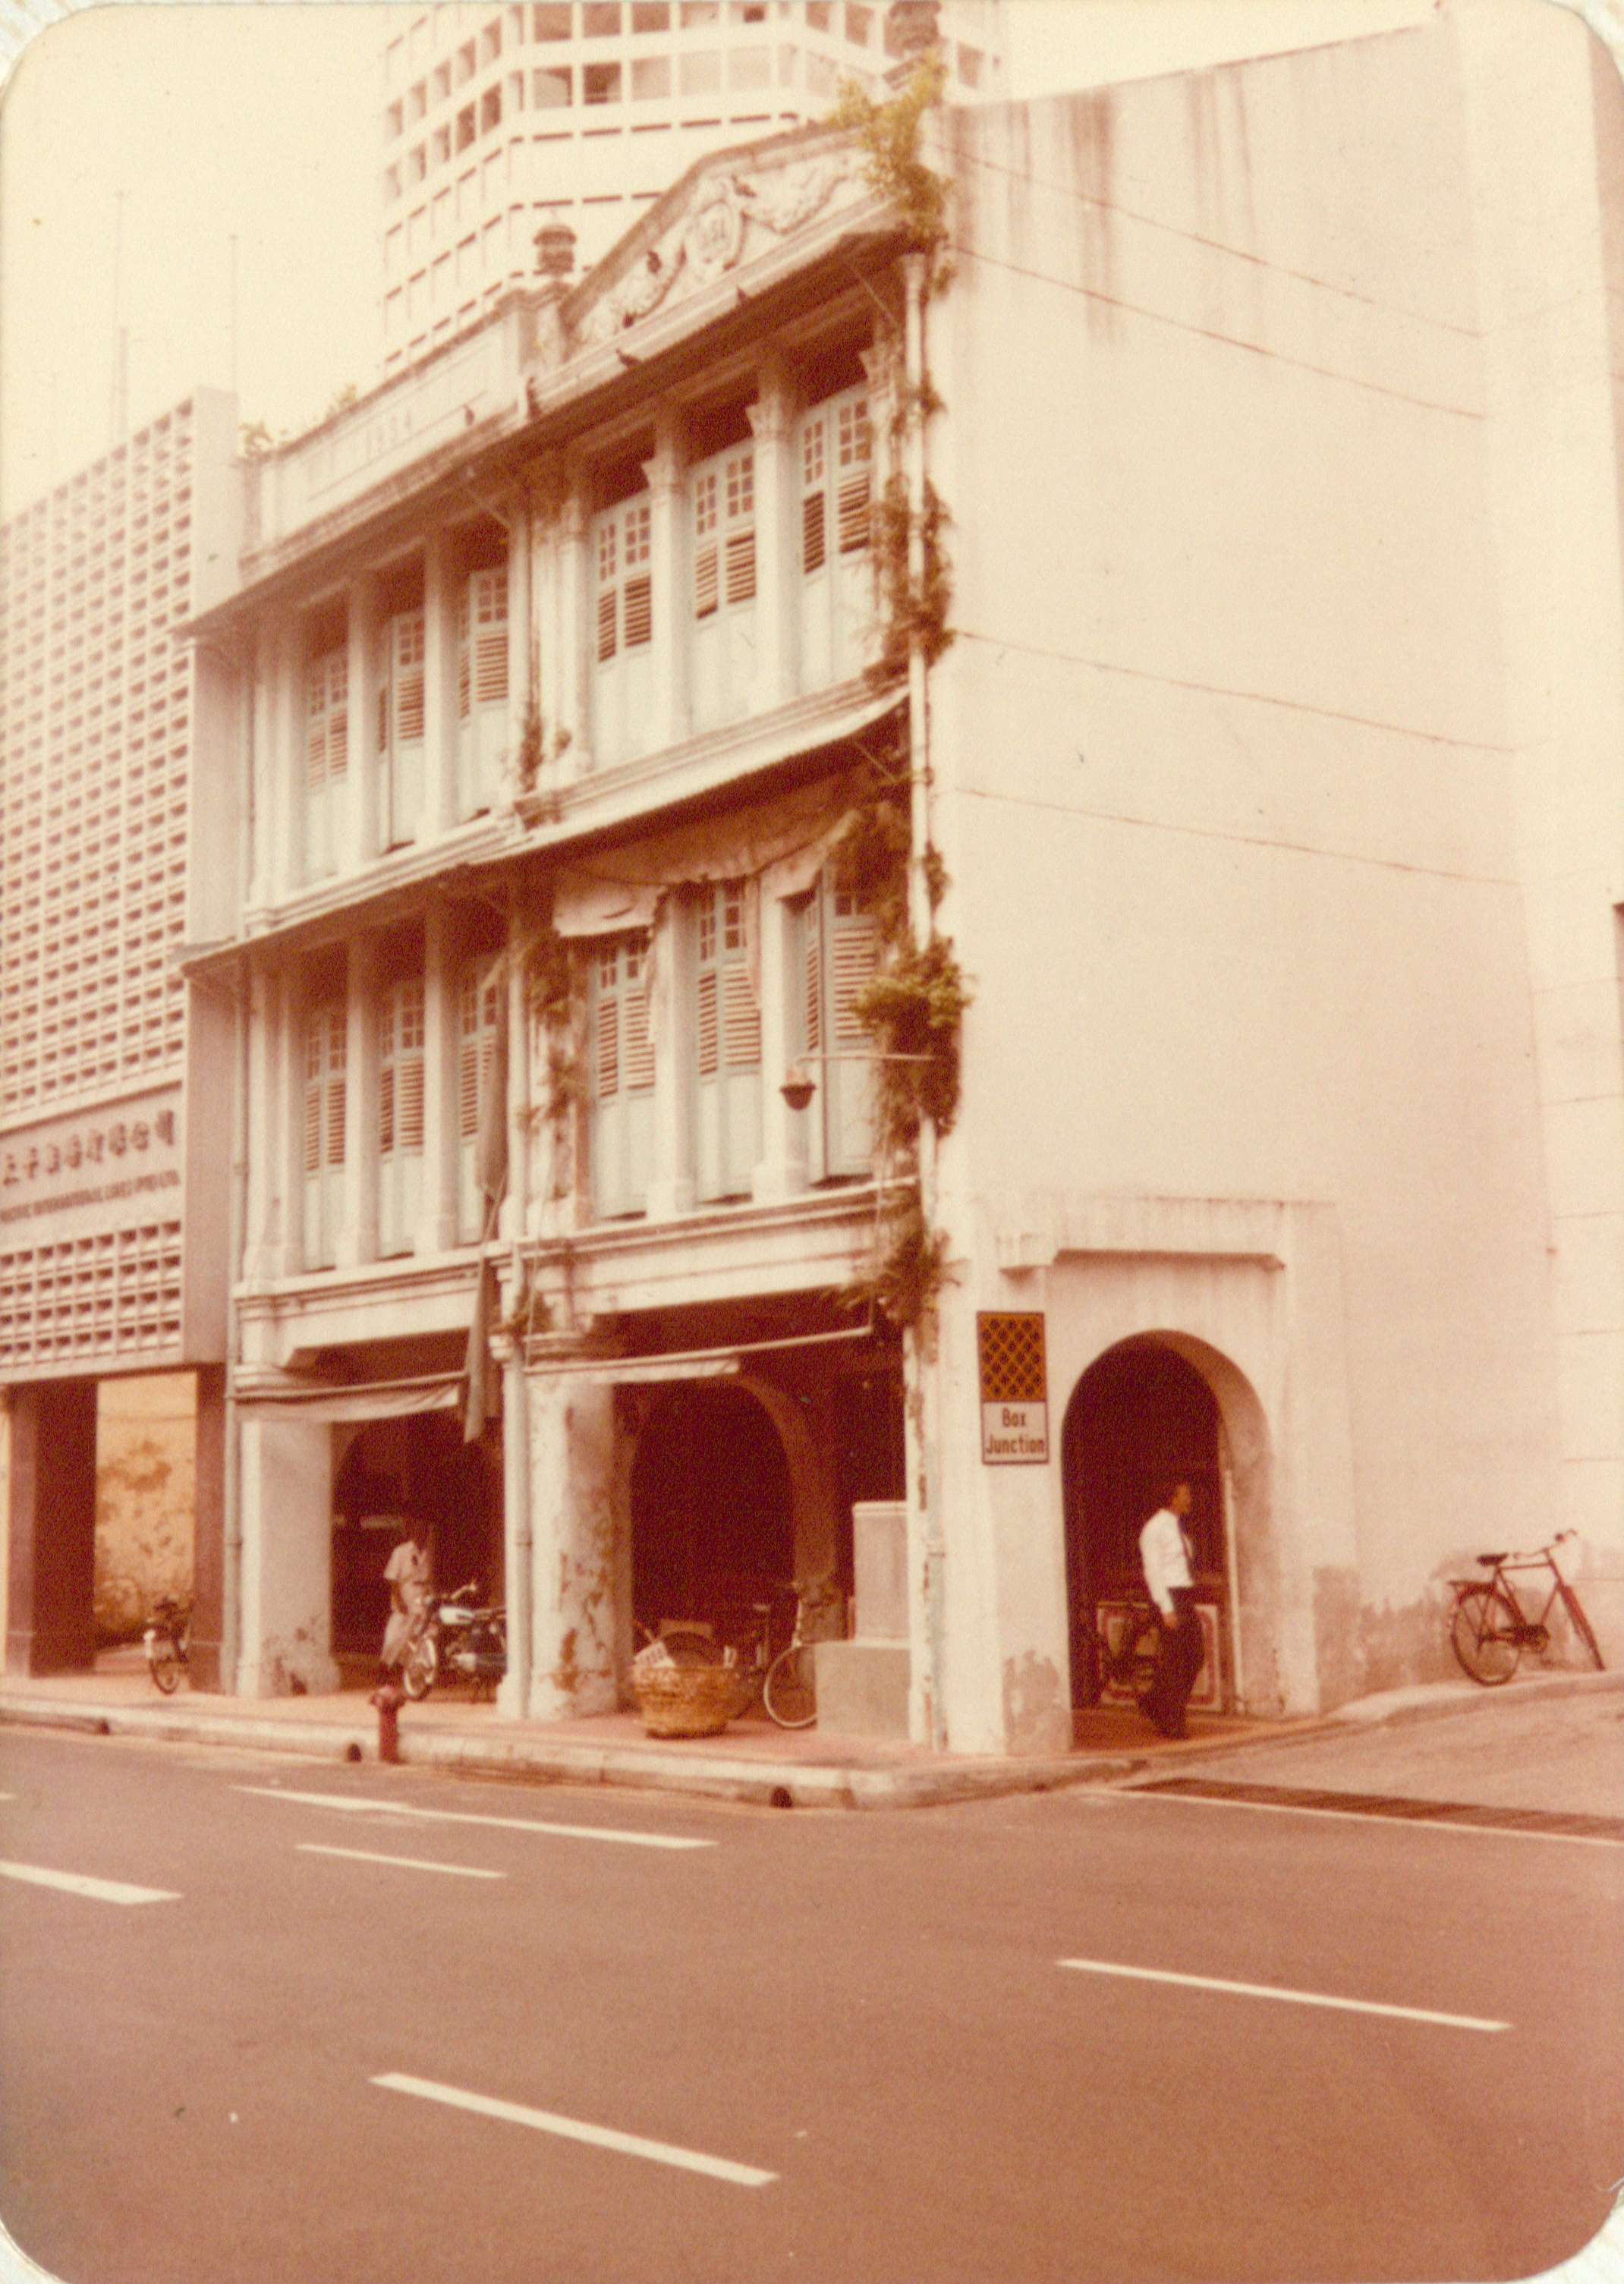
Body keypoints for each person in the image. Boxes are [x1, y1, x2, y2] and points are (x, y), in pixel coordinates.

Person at [1138, 1480, 1204, 1738]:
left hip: (1183, 1596)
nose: (1189, 1498)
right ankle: (1172, 1719)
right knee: (1176, 1661)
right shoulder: (1154, 1529)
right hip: (1169, 1597)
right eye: (1184, 1494)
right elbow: (1153, 1571)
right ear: (1171, 1498)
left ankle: (1155, 1702)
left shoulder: (1177, 1528)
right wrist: (1166, 1608)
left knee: (1195, 1655)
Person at [379, 1518, 430, 1680]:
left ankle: (414, 1675)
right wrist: (399, 1599)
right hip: (405, 1595)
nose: (421, 1533)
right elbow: (392, 1578)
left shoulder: (430, 1553)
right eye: (418, 1529)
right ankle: (385, 1666)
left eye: (424, 1530)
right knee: (394, 1634)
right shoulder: (401, 1552)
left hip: (422, 1597)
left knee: (420, 1636)